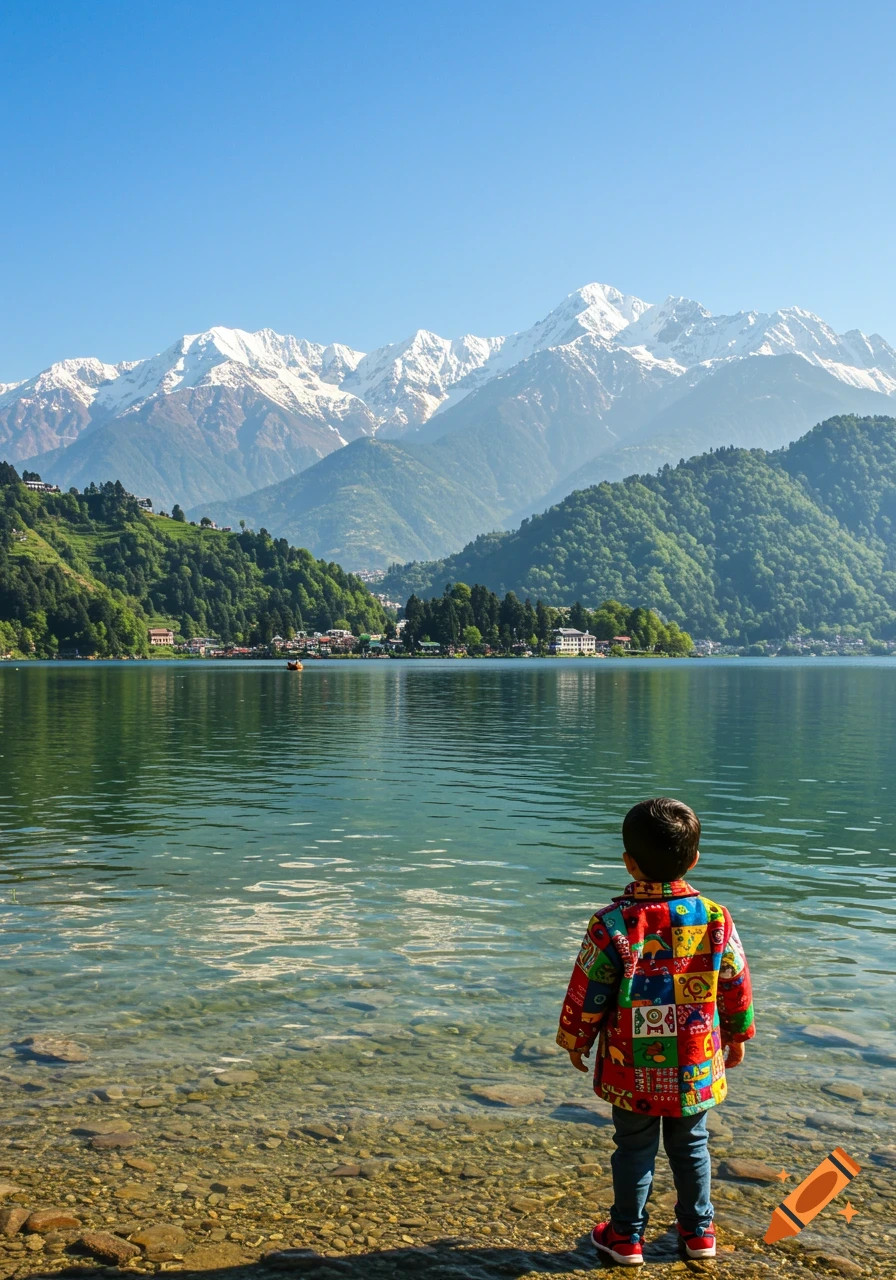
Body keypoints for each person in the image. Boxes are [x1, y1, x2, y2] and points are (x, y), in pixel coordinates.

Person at [556, 797, 754, 1266]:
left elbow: (589, 991)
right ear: (695, 858)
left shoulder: (611, 924)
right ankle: (699, 1233)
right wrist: (737, 1034)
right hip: (695, 1058)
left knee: (632, 1147)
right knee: (692, 1145)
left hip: (633, 1065)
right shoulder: (715, 917)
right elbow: (736, 982)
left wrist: (576, 1040)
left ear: (629, 861)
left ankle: (625, 1236)